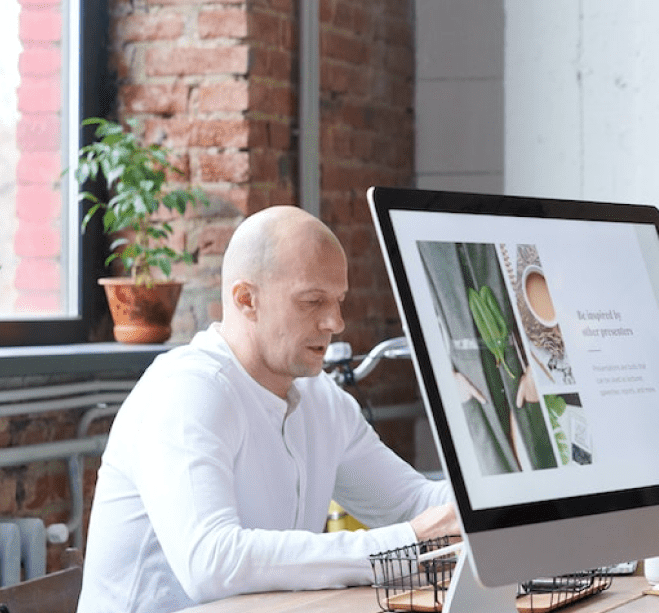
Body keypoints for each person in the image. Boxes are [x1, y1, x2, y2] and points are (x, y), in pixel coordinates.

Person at [78, 205, 459, 613]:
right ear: (246, 300)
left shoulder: (320, 398)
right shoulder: (188, 390)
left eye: (339, 300)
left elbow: (415, 505)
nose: (335, 321)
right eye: (313, 301)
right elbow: (212, 563)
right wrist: (403, 543)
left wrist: (507, 497)